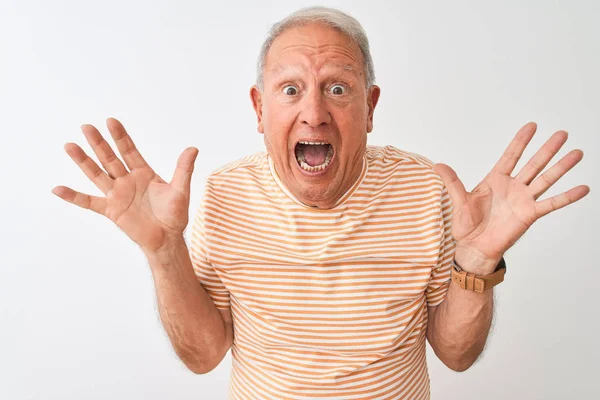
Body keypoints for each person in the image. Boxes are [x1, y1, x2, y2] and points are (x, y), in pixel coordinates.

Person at [51, 6, 589, 400]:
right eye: (290, 90)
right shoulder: (223, 195)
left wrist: (476, 263)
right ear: (259, 108)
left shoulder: (426, 191)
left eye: (337, 88)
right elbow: (204, 356)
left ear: (370, 105)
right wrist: (165, 251)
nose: (313, 112)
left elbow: (456, 354)